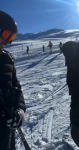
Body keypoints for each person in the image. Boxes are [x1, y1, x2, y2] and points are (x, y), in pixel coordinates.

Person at [0, 10, 26, 150]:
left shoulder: (7, 58)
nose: (8, 41)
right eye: (6, 35)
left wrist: (20, 109)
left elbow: (16, 86)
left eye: (12, 36)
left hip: (6, 125)